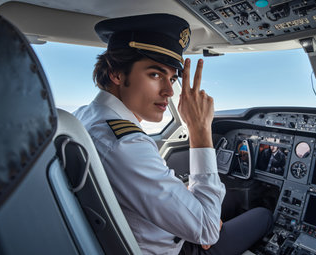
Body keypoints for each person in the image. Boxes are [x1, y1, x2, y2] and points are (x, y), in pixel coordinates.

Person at [74, 13, 272, 255]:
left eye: (172, 78)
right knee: (262, 215)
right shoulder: (126, 144)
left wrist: (197, 211)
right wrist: (199, 130)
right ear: (116, 73)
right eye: (155, 75)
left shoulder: (85, 117)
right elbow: (209, 231)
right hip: (171, 249)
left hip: (137, 233)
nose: (169, 91)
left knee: (229, 199)